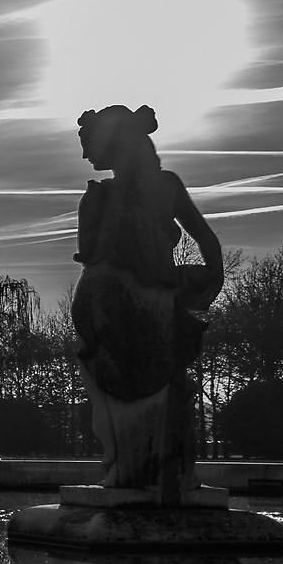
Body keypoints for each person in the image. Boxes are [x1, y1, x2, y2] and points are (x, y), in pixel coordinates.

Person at [71, 104, 222, 496]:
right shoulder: (101, 196)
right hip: (112, 310)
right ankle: (141, 473)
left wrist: (206, 279)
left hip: (147, 307)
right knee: (134, 398)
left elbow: (206, 240)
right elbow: (207, 241)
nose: (86, 155)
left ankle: (145, 475)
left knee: (152, 396)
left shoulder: (160, 187)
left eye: (89, 144)